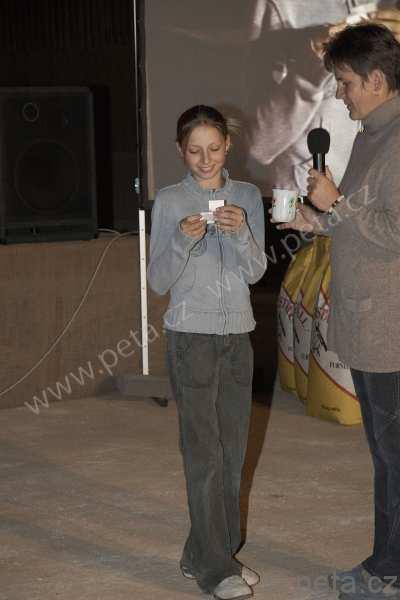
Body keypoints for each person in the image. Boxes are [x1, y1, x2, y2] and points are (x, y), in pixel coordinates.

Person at [275, 23, 400, 600]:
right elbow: (363, 224)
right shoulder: (375, 133)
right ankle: (387, 562)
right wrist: (318, 220)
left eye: (346, 82)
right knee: (386, 456)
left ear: (376, 80)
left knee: (393, 459)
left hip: (392, 328)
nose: (340, 94)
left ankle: (388, 572)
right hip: (372, 320)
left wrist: (339, 205)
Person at [147, 105, 266, 600]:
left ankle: (210, 551)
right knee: (204, 454)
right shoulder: (170, 201)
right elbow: (157, 281)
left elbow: (256, 271)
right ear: (180, 150)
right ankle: (215, 569)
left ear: (228, 146)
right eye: (194, 150)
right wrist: (179, 241)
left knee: (232, 452)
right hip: (190, 337)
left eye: (213, 148)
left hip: (238, 335)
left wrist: (240, 233)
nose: (205, 159)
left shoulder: (247, 197)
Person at [245, 0, 400, 196]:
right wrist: (311, 64)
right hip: (306, 202)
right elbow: (259, 147)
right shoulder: (283, 7)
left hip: (382, 199)